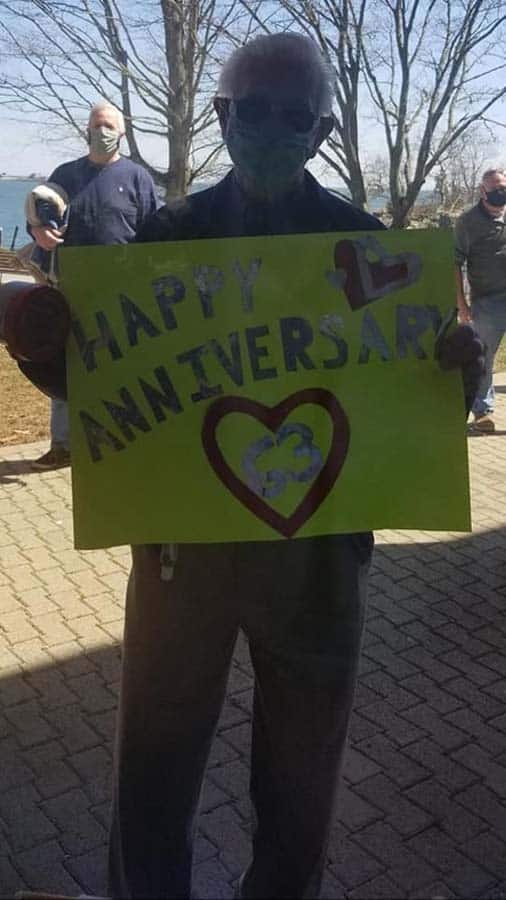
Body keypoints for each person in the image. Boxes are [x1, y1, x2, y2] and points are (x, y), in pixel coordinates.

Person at [103, 33, 482, 900]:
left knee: (303, 784)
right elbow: (100, 380)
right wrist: (41, 341)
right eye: (252, 112)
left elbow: (418, 410)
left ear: (322, 129)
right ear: (222, 117)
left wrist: (460, 371)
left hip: (317, 557)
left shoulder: (366, 243)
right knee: (152, 778)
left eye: (293, 116)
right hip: (179, 556)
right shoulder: (168, 233)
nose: (270, 130)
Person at [28, 101, 159, 470]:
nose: (103, 132)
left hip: (124, 291)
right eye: (97, 124)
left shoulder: (138, 178)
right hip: (71, 287)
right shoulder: (65, 175)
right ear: (87, 130)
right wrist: (38, 231)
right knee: (68, 364)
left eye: (110, 126)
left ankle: (127, 439)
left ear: (122, 132)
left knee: (125, 365)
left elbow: (155, 231)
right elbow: (37, 215)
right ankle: (63, 446)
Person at [455, 167, 506, 433]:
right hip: (487, 302)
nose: (501, 192)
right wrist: (462, 305)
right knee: (483, 358)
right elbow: (455, 263)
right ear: (483, 191)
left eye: (504, 187)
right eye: (495, 188)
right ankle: (483, 412)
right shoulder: (467, 222)